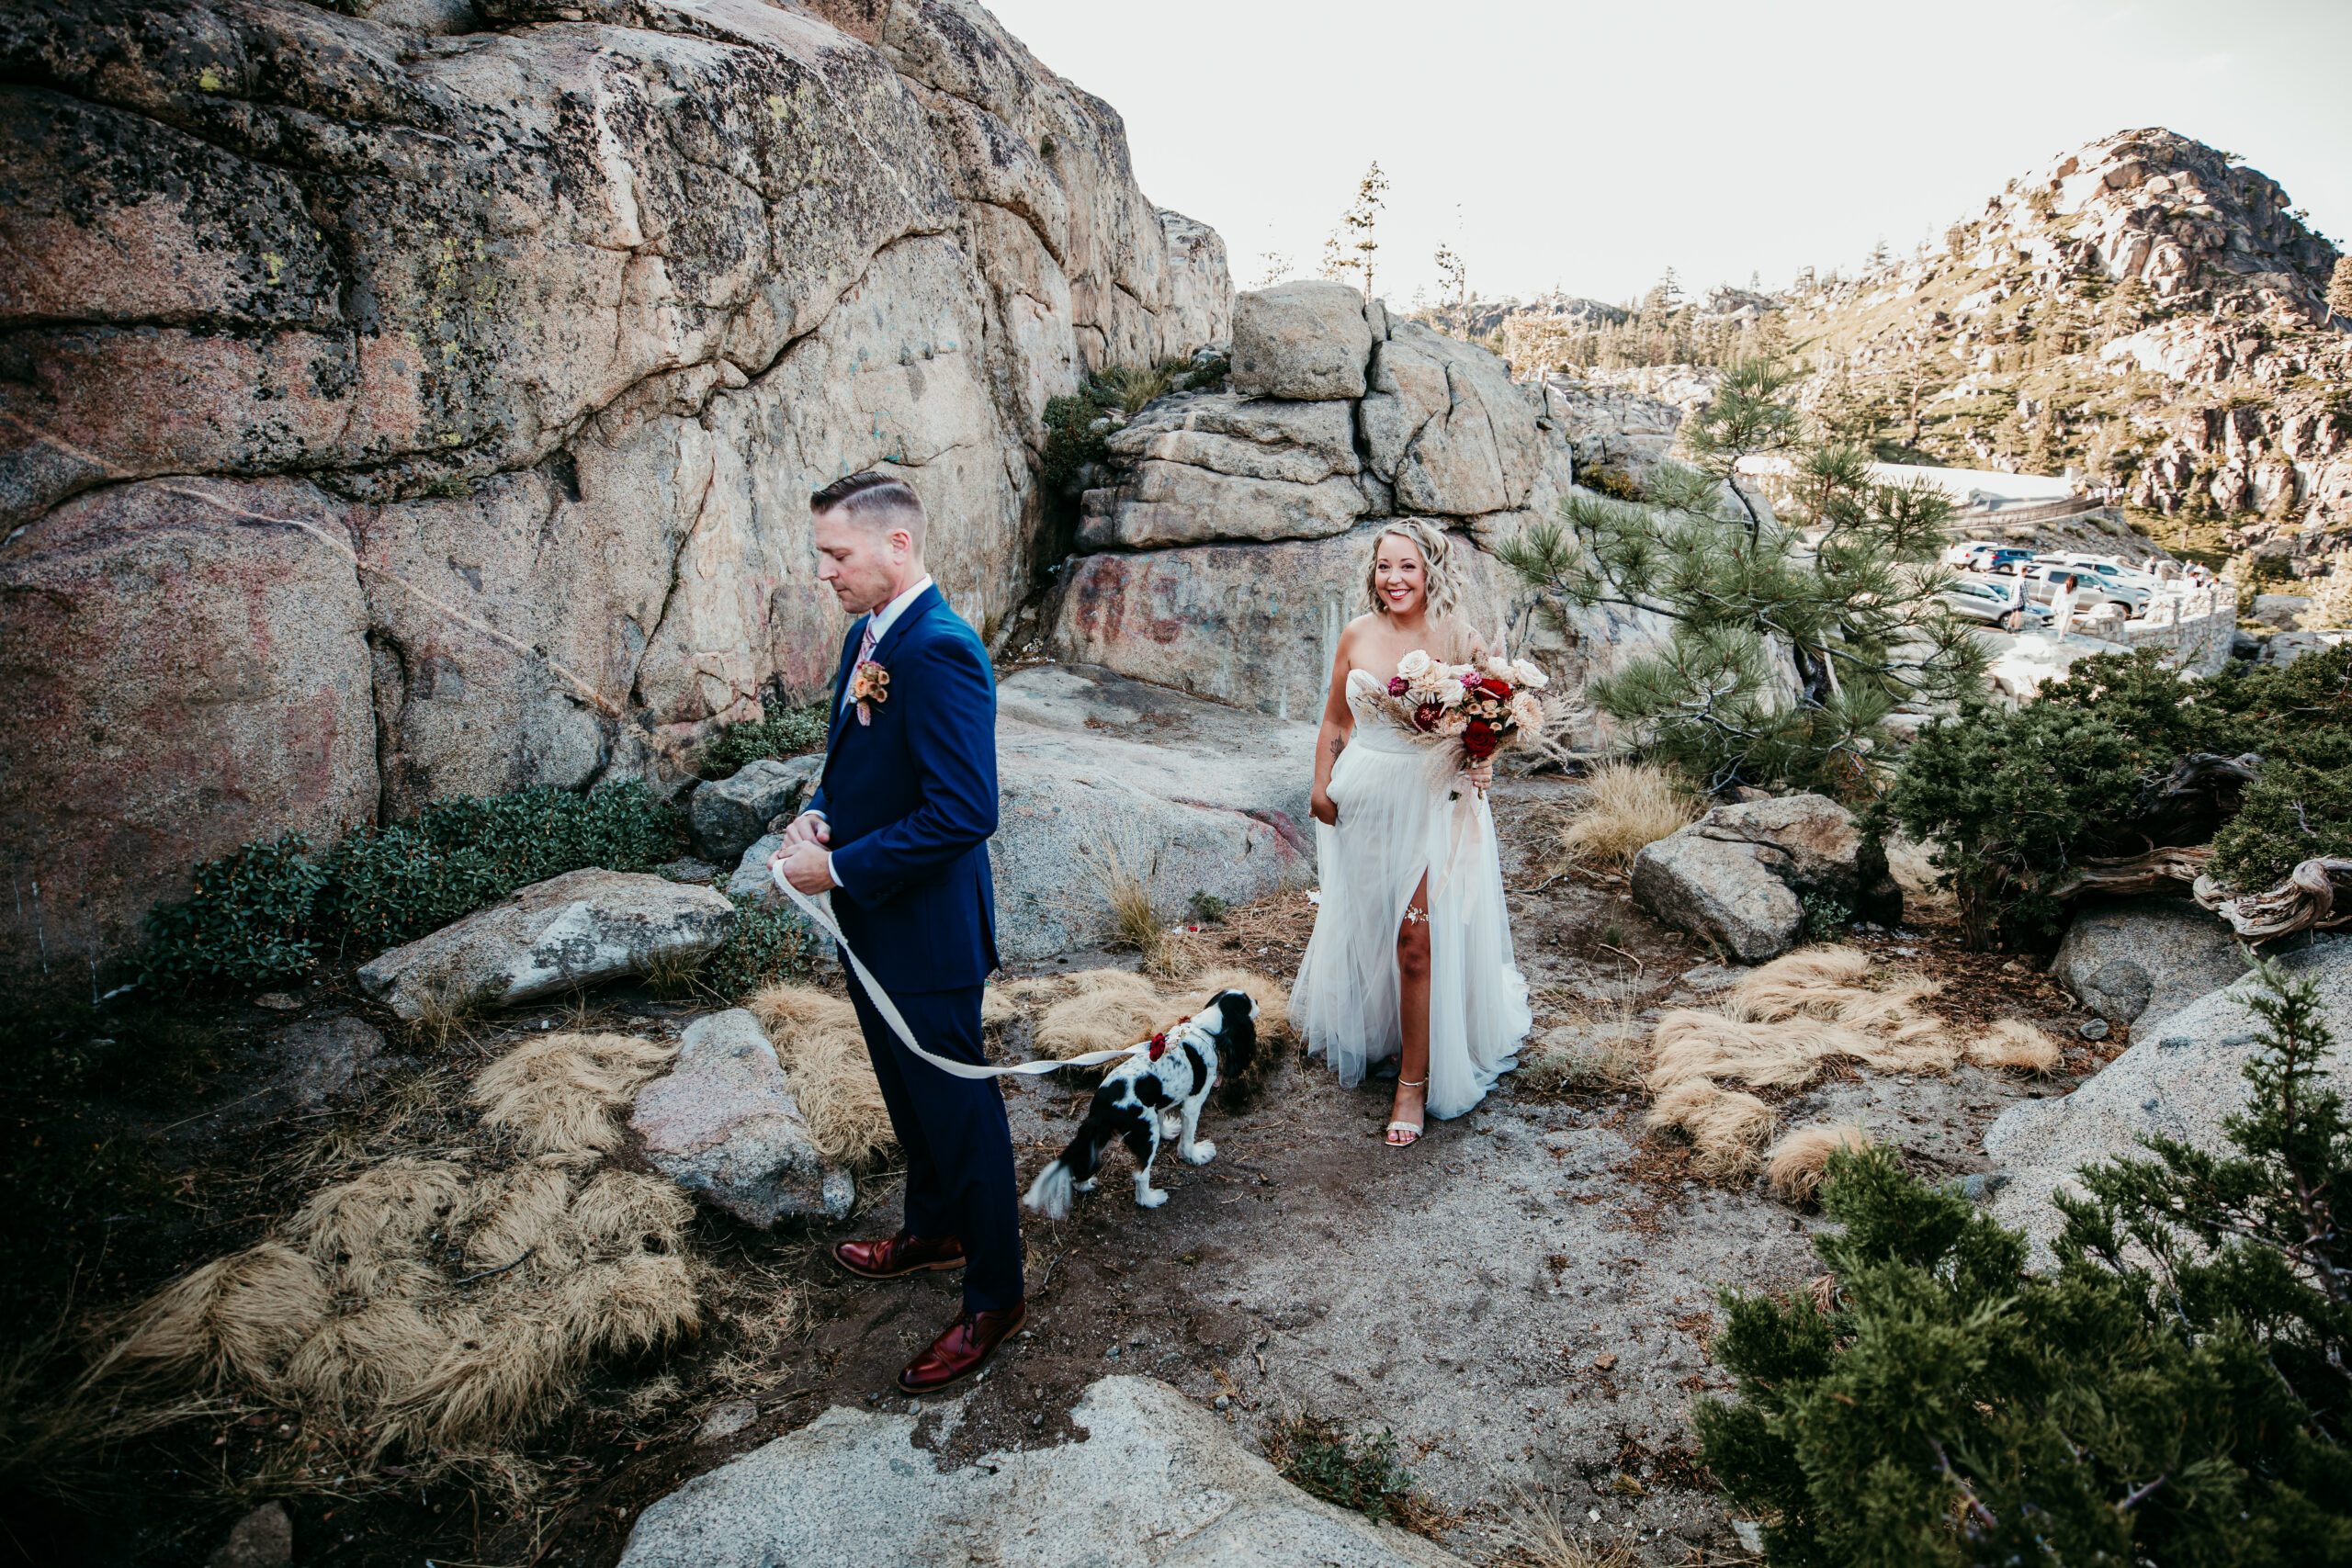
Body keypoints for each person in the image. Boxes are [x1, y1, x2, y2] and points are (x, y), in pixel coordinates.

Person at [769, 471, 1023, 1396]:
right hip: (871, 922)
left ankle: (995, 1293)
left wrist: (834, 872)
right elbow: (852, 761)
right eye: (823, 555)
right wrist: (818, 817)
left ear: (896, 548)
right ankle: (932, 1231)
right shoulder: (867, 637)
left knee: (961, 1112)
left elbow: (964, 811)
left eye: (838, 555)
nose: (825, 572)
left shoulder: (940, 650)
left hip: (926, 934)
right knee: (908, 1101)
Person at [1291, 521, 1532, 1145]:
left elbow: (1498, 716)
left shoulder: (1456, 636)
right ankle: (1394, 1033)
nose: (1393, 579)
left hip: (1432, 801)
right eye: (1383, 566)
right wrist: (1320, 785)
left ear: (1430, 572)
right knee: (1373, 925)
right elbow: (1335, 719)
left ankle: (1413, 1084)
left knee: (1415, 938)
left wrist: (1484, 759)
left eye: (1406, 567)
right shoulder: (1357, 634)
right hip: (1366, 797)